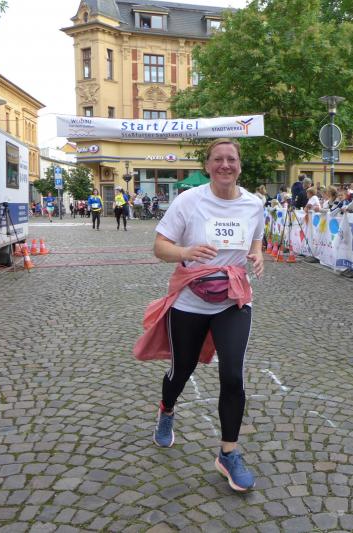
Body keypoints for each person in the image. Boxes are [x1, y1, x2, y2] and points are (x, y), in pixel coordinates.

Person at [137, 138, 264, 492]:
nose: (225, 164)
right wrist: (186, 251)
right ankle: (166, 409)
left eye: (231, 159)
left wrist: (258, 254)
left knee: (233, 375)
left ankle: (228, 453)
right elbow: (160, 246)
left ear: (240, 165)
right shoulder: (188, 201)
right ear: (207, 166)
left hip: (233, 299)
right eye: (218, 159)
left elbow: (257, 238)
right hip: (190, 301)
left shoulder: (254, 204)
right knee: (182, 369)